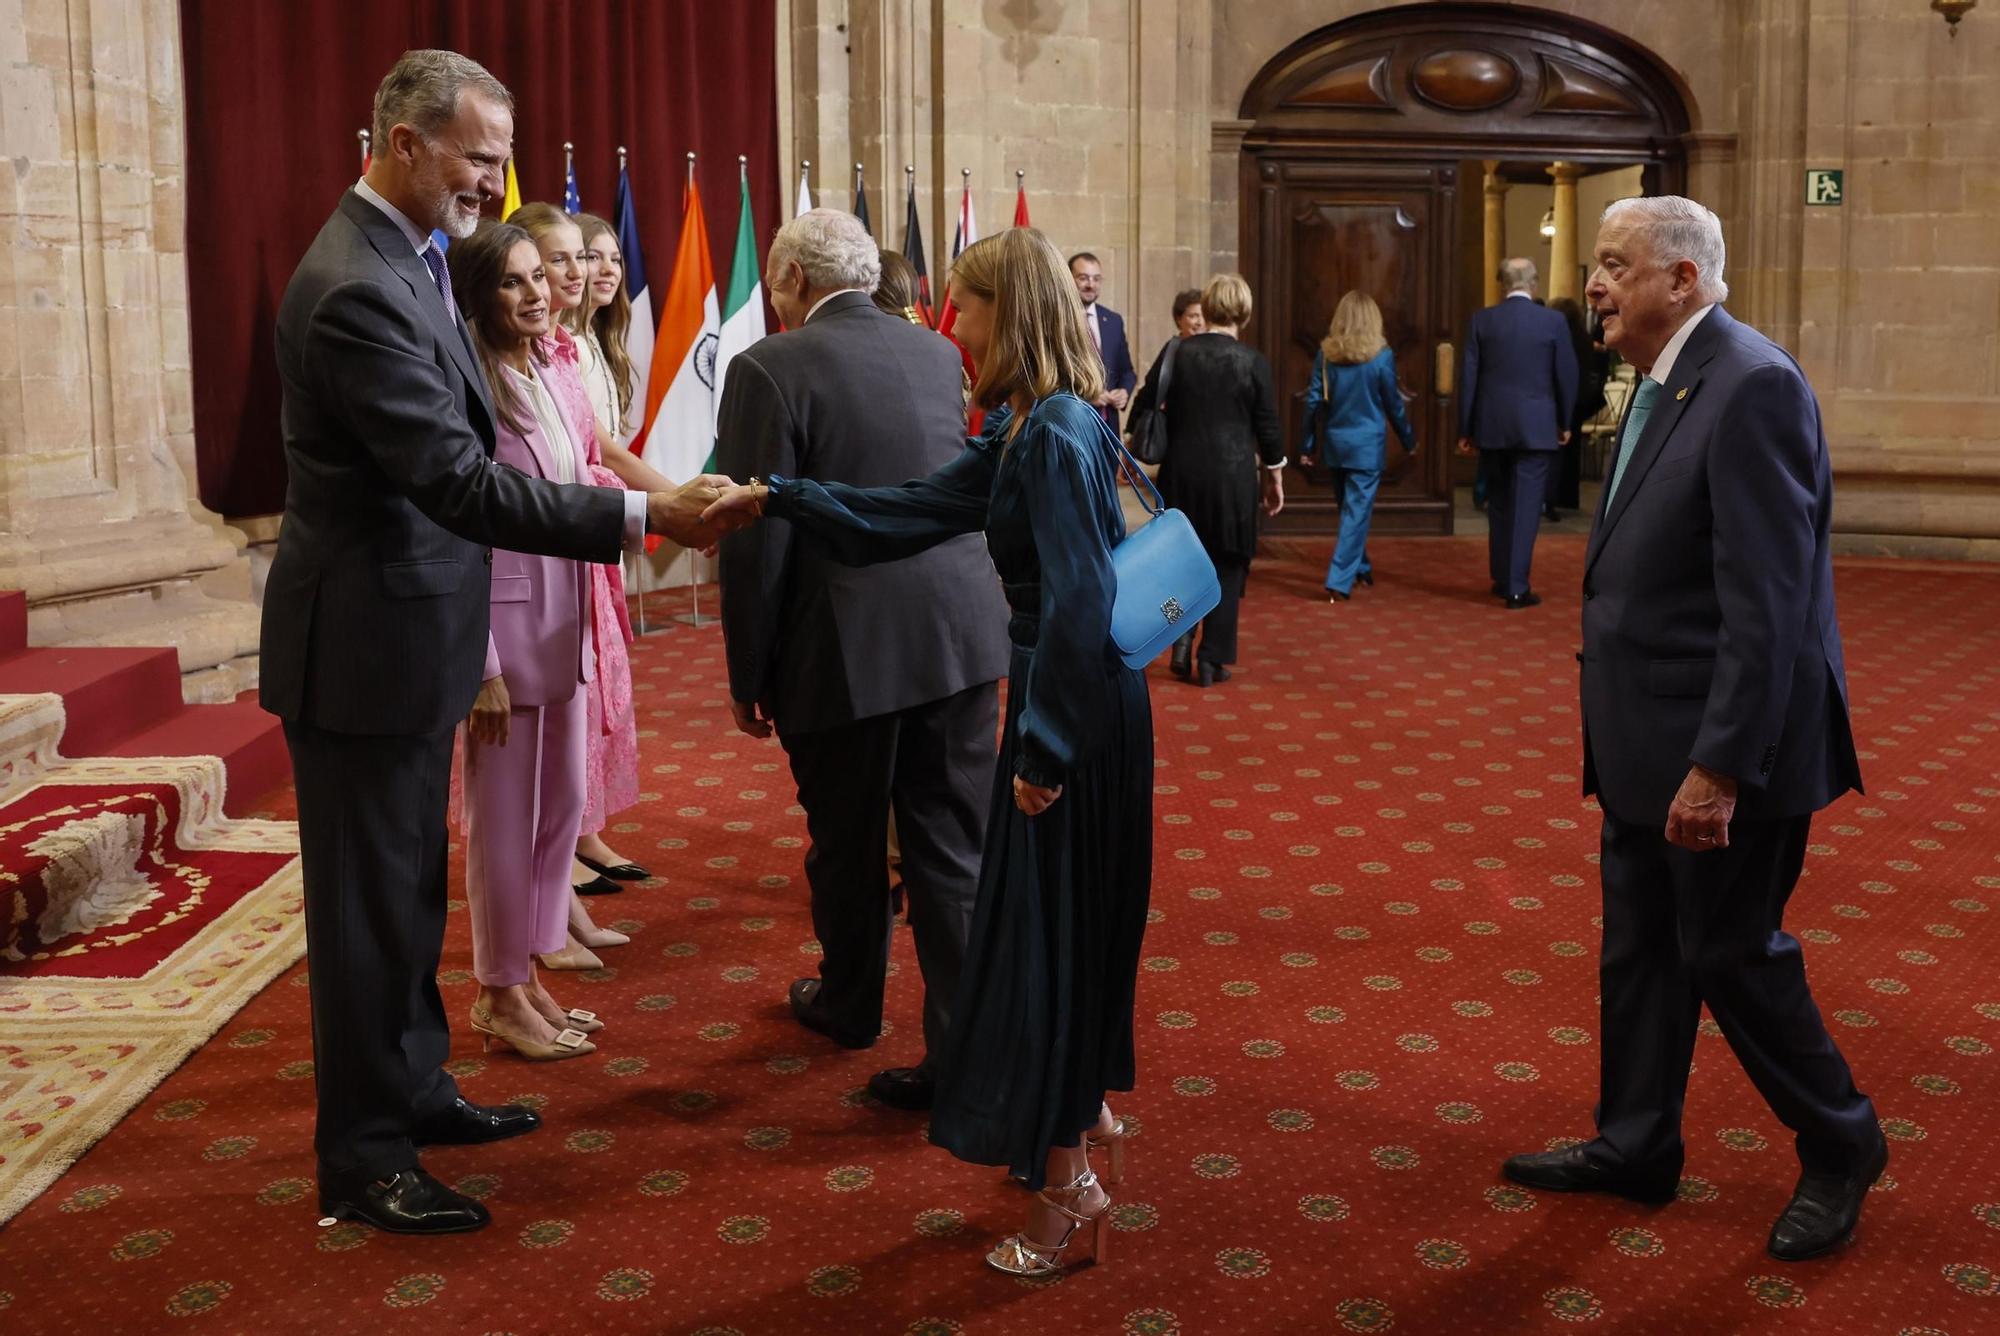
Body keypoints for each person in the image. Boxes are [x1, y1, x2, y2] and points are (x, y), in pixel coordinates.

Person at [258, 49, 734, 1236]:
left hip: (407, 639)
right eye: (477, 157)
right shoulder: (357, 282)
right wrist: (642, 513)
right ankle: (365, 1160)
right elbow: (457, 481)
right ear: (403, 142)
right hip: (366, 650)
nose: (492, 182)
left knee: (407, 900)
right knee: (369, 918)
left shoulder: (406, 257)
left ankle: (415, 1090)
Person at [706, 226, 1153, 1277]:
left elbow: (1082, 598)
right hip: (1085, 696)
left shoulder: (1043, 436)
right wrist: (777, 496)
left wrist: (1040, 753)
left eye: (969, 305)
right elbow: (901, 513)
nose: (954, 325)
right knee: (1062, 932)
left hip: (1067, 705)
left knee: (1040, 943)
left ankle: (1062, 1195)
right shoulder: (1042, 423)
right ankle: (1085, 1130)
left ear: (1013, 311)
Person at [1501, 196, 1882, 1264]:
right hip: (1642, 738)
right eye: (1594, 267)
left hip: (1725, 749)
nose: (1593, 285)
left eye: (1612, 266)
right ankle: (1634, 1145)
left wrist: (1717, 767)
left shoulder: (1750, 382)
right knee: (1639, 952)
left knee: (1729, 952)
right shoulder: (1670, 373)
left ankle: (1841, 1141)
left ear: (1679, 277)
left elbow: (1768, 606)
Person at [714, 210, 1010, 1111]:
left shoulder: (767, 365)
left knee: (845, 845)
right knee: (950, 848)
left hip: (841, 650)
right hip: (960, 634)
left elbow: (753, 533)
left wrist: (746, 671)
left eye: (775, 282)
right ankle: (965, 1051)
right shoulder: (933, 352)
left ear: (797, 279)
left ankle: (850, 1005)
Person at [448, 220, 605, 1063]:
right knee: (502, 826)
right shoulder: (470, 386)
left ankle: (530, 970)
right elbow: (458, 529)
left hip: (563, 630)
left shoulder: (546, 370)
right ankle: (497, 990)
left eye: (538, 276)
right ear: (478, 296)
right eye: (513, 282)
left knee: (560, 807)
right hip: (504, 644)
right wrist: (481, 665)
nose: (538, 292)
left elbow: (577, 484)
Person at [512, 202, 664, 967]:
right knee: (524, 777)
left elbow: (591, 453)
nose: (566, 279)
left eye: (576, 262)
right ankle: (525, 946)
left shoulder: (564, 355)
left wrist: (669, 500)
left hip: (578, 555)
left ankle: (559, 909)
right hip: (530, 577)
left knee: (571, 748)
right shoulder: (503, 363)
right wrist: (665, 504)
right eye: (544, 267)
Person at [1131, 272, 1284, 686]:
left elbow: (1143, 404)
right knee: (1228, 565)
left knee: (1181, 562)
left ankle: (1180, 639)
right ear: (1245, 312)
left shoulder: (1176, 352)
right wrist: (1275, 479)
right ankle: (1213, 660)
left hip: (1182, 472)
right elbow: (1268, 429)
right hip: (1233, 477)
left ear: (1209, 306)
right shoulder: (1252, 361)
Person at [1456, 258, 1578, 608]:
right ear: (1535, 284)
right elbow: (1566, 375)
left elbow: (1470, 378)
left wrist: (1466, 428)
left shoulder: (1483, 320)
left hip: (1492, 425)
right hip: (1537, 426)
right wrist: (1565, 421)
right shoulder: (1553, 321)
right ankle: (1515, 586)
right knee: (1526, 506)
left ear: (1502, 285)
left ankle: (1501, 576)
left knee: (1499, 504)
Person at [1299, 291, 1417, 601]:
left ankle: (1360, 566)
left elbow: (1313, 403)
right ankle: (1339, 580)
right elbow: (1394, 404)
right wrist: (1408, 440)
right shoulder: (1382, 357)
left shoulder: (1326, 355)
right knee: (1354, 513)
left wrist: (1307, 444)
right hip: (1366, 446)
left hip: (1337, 444)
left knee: (1351, 511)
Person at [1546, 295, 1608, 517]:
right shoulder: (1582, 337)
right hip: (1579, 400)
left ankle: (1551, 497)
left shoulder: (1559, 337)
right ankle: (1568, 497)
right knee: (1571, 453)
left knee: (1555, 451)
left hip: (1560, 400)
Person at [1068, 251, 1136, 434]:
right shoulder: (1057, 320)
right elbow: (1050, 374)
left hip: (1108, 428)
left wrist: (1124, 391)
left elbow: (1127, 371)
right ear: (1068, 278)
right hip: (1072, 425)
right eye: (1083, 278)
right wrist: (1085, 395)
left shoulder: (1113, 320)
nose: (1091, 285)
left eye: (1096, 279)